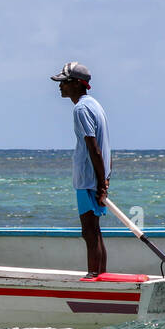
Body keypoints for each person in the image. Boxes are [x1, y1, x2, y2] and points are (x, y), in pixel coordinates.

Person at [51, 62, 111, 277]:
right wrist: (105, 179)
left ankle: (93, 275)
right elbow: (106, 147)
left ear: (77, 84)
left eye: (64, 82)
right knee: (94, 231)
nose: (60, 86)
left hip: (88, 179)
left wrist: (101, 184)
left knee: (89, 231)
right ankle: (99, 275)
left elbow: (94, 147)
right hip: (96, 177)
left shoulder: (81, 109)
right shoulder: (94, 104)